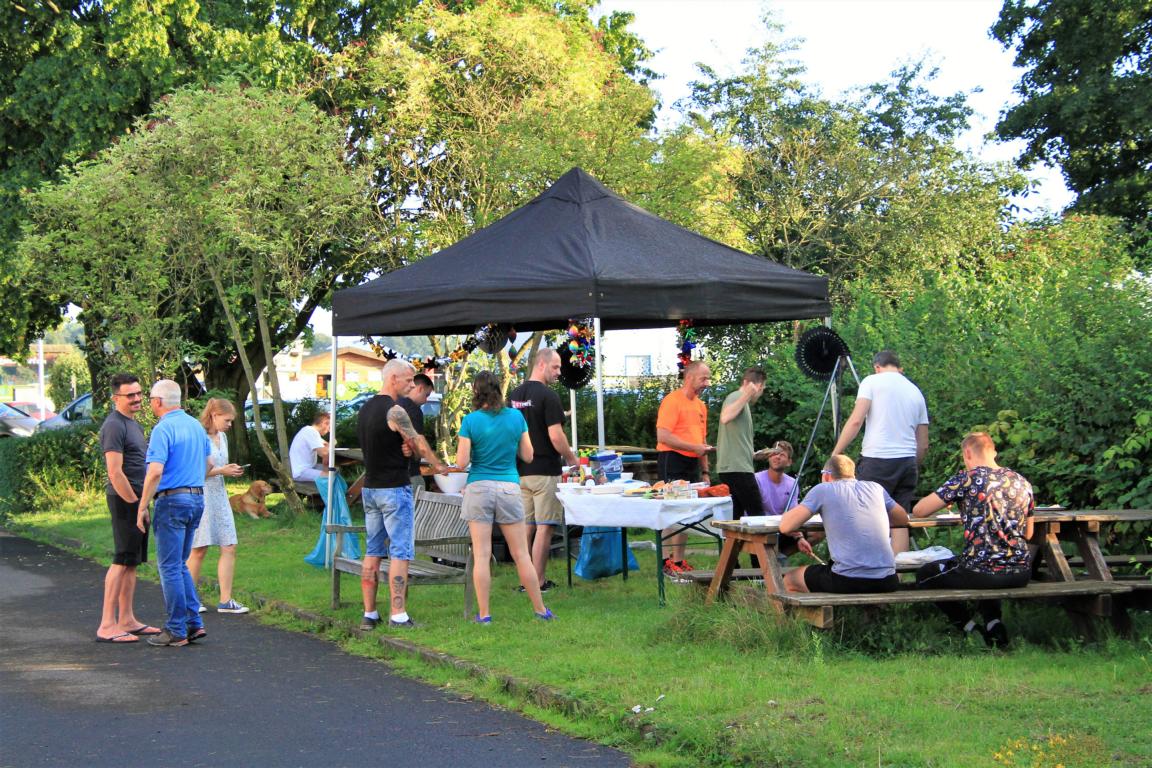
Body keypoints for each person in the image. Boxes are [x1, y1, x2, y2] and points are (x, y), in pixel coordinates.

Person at [913, 432, 1035, 647]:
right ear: (993, 452)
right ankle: (994, 624)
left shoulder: (967, 478)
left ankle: (969, 628)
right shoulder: (1021, 482)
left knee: (925, 574)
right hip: (1021, 572)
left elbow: (920, 510)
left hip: (981, 571)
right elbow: (1029, 533)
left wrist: (953, 499)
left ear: (967, 453)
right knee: (989, 562)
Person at [356, 359, 447, 630]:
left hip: (370, 488)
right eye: (408, 380)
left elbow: (386, 444)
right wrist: (437, 465)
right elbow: (418, 446)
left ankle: (369, 614)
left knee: (373, 551)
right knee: (400, 552)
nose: (411, 384)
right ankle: (398, 614)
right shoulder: (396, 411)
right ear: (393, 378)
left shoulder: (365, 409)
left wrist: (405, 448)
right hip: (394, 488)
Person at [458, 371, 553, 623]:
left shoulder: (470, 421)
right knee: (521, 554)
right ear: (499, 390)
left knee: (481, 555)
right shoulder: (516, 417)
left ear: (476, 392)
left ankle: (484, 615)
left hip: (479, 486)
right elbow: (528, 456)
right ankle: (540, 610)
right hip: (509, 487)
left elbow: (462, 462)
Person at [136, 379, 212, 647]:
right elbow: (209, 463)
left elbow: (155, 471)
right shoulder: (196, 426)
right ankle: (193, 623)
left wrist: (142, 505)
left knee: (169, 567)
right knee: (179, 564)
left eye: (150, 400)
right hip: (197, 498)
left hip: (171, 501)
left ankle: (176, 629)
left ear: (157, 402)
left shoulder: (163, 428)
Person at [831, 350, 929, 554]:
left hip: (877, 460)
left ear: (877, 367)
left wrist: (836, 454)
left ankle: (867, 568)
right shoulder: (915, 391)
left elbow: (856, 421)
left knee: (865, 516)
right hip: (907, 462)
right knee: (899, 519)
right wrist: (913, 465)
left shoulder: (871, 382)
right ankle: (899, 569)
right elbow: (923, 444)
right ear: (900, 368)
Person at [780, 454, 908, 594]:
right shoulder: (876, 488)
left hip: (847, 580)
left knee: (790, 580)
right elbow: (902, 519)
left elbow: (785, 526)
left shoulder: (823, 489)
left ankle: (818, 609)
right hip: (888, 580)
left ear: (826, 475)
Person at [95, 373, 159, 643]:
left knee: (132, 562)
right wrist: (136, 505)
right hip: (125, 501)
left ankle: (127, 619)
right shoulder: (114, 425)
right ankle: (107, 625)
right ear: (115, 398)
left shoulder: (133, 424)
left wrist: (143, 503)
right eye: (130, 395)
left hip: (138, 501)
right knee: (121, 560)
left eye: (139, 393)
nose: (136, 399)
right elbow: (115, 472)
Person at [508, 348, 579, 591]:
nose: (559, 372)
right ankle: (536, 582)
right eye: (555, 367)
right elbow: (556, 435)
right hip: (545, 470)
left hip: (520, 471)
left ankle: (523, 580)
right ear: (541, 364)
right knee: (545, 526)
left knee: (525, 527)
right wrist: (571, 458)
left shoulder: (514, 395)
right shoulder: (548, 396)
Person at [186, 398, 249, 615]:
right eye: (227, 420)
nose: (230, 425)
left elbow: (220, 466)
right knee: (199, 548)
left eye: (231, 421)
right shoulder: (198, 436)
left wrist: (229, 470)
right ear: (214, 415)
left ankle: (226, 600)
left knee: (229, 545)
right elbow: (194, 472)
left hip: (220, 496)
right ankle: (190, 599)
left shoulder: (222, 437)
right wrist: (222, 471)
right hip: (201, 495)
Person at [655, 360, 712, 574]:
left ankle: (678, 561)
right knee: (671, 508)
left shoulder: (701, 406)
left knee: (686, 511)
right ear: (689, 378)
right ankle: (665, 561)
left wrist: (705, 471)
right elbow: (663, 436)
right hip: (672, 459)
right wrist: (693, 447)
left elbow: (702, 442)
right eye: (703, 379)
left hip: (692, 462)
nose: (707, 383)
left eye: (708, 379)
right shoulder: (672, 401)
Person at [715, 367, 766, 567]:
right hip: (737, 469)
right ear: (755, 384)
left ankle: (730, 567)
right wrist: (746, 394)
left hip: (736, 466)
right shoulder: (736, 397)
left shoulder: (742, 404)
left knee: (735, 520)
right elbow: (725, 417)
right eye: (761, 388)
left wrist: (756, 454)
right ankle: (760, 568)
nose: (760, 393)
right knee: (757, 517)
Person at [753, 440, 805, 557]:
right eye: (774, 453)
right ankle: (772, 558)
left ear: (789, 462)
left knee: (816, 533)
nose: (777, 457)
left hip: (783, 528)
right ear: (768, 457)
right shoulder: (756, 480)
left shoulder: (792, 483)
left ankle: (781, 556)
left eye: (782, 455)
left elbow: (793, 512)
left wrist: (799, 537)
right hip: (761, 528)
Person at [398, 373, 435, 497]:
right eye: (426, 395)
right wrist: (437, 464)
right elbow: (418, 443)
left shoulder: (393, 404)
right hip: (410, 474)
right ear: (420, 388)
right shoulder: (413, 410)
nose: (426, 400)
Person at [289, 412, 331, 482]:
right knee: (330, 476)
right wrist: (332, 444)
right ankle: (329, 488)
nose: (329, 430)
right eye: (329, 427)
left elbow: (326, 444)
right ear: (324, 423)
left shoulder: (310, 431)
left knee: (334, 470)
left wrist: (329, 445)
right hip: (301, 472)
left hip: (310, 467)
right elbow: (324, 453)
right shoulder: (310, 432)